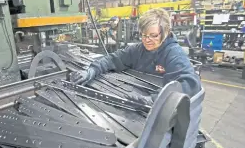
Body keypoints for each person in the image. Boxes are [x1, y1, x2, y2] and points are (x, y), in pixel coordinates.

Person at [70, 8, 202, 104]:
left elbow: (190, 84)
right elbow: (112, 59)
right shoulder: (138, 50)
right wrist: (91, 71)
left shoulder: (174, 53)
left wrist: (153, 100)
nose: (147, 40)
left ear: (166, 32)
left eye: (153, 35)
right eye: (144, 35)